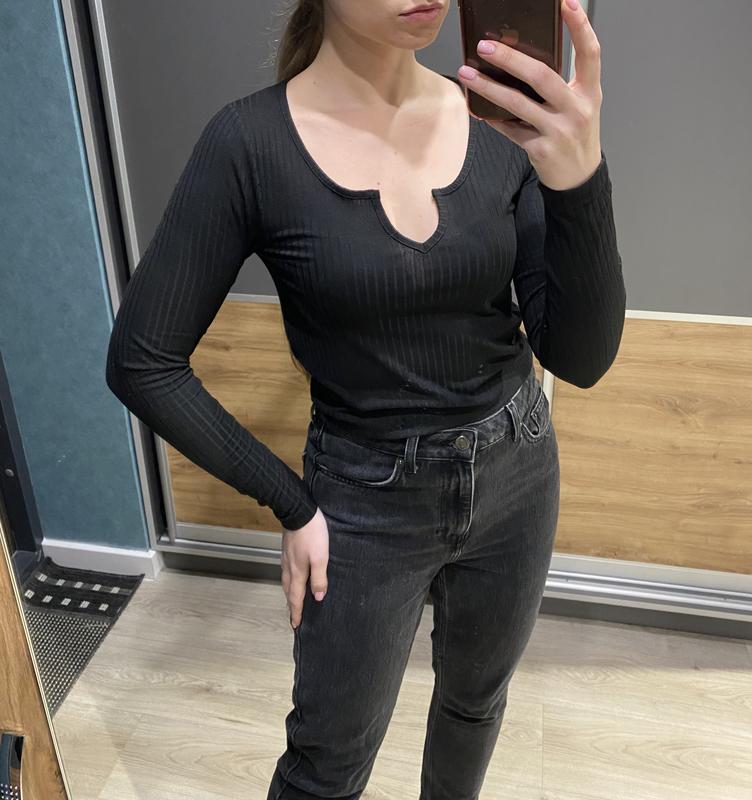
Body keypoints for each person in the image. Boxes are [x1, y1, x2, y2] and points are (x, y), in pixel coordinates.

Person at [105, 0, 626, 797]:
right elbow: (143, 361)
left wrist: (580, 178)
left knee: (476, 704)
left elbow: (581, 359)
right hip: (362, 504)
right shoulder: (250, 144)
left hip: (518, 474)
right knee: (327, 765)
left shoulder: (497, 121)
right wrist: (291, 504)